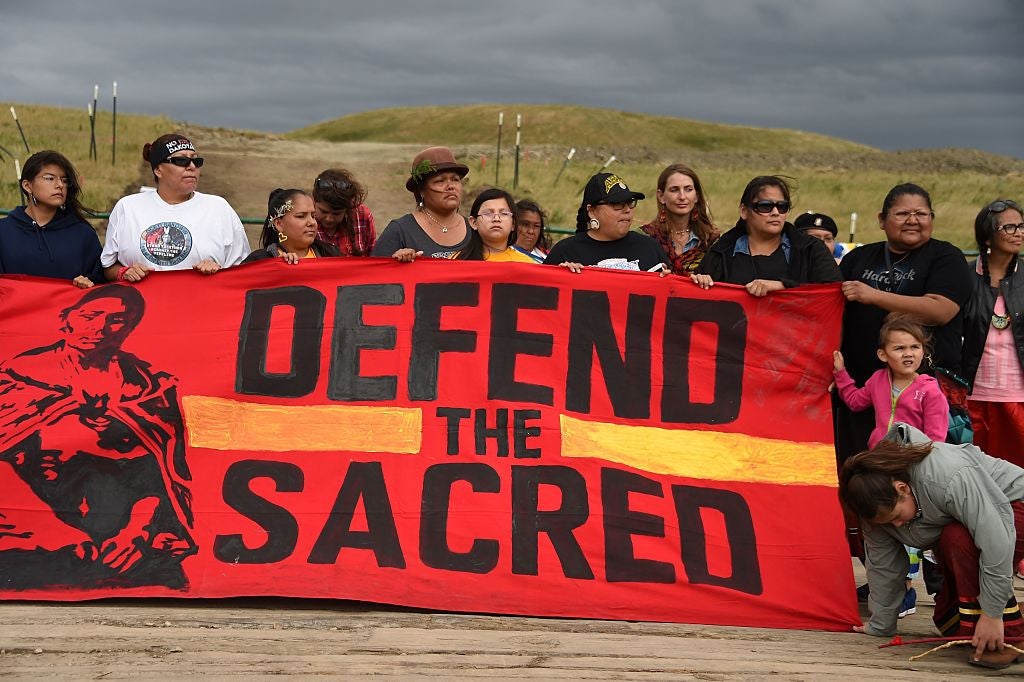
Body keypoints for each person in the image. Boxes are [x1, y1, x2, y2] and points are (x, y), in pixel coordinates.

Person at [0, 286, 196, 590]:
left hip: (127, 531)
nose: (101, 328)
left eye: (117, 319)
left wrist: (137, 530)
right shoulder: (20, 376)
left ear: (130, 328)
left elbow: (164, 474)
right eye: (90, 316)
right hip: (36, 529)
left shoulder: (148, 386)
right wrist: (61, 536)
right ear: (66, 319)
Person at [841, 423, 1024, 670]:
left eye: (896, 515)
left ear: (902, 488)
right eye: (887, 522)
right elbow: (883, 565)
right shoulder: (875, 508)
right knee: (948, 620)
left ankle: (1009, 636)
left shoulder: (946, 474)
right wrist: (881, 625)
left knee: (955, 538)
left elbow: (997, 539)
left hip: (1013, 508)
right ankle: (1001, 619)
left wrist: (992, 615)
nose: (895, 525)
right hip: (973, 534)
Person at [836, 183, 973, 460]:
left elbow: (940, 310)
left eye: (922, 214)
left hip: (925, 392)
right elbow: (830, 309)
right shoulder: (857, 258)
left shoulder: (947, 257)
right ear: (881, 220)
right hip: (865, 389)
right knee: (861, 474)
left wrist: (873, 295)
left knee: (924, 468)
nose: (913, 220)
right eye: (902, 214)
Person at [101, 133, 250, 282]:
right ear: (158, 169)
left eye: (196, 160)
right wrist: (124, 272)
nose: (191, 166)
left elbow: (244, 270)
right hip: (142, 303)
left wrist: (219, 271)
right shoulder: (127, 207)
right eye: (181, 160)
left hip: (201, 303)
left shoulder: (219, 208)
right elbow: (107, 266)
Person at [694, 176, 840, 296]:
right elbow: (697, 302)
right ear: (744, 211)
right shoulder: (720, 253)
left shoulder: (812, 250)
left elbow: (833, 293)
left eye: (782, 206)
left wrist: (784, 286)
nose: (775, 212)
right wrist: (700, 282)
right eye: (765, 206)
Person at [961, 199, 1024, 468]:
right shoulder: (964, 276)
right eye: (1009, 227)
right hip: (971, 396)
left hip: (1018, 395)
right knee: (976, 472)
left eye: (1021, 226)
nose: (1018, 233)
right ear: (987, 234)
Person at [834, 314, 948, 448]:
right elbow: (855, 402)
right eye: (900, 348)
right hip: (880, 458)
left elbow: (936, 440)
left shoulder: (930, 391)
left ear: (923, 352)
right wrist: (840, 373)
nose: (908, 353)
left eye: (915, 347)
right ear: (883, 355)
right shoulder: (877, 380)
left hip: (912, 462)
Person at [0, 150, 102, 287]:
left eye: (64, 180)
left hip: (67, 308)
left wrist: (88, 283)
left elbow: (101, 284)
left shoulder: (83, 234)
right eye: (50, 178)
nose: (60, 185)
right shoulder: (4, 231)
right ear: (27, 186)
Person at [543, 172, 669, 274]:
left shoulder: (650, 248)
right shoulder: (565, 252)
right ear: (592, 211)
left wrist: (670, 280)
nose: (627, 210)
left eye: (630, 202)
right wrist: (561, 275)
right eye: (617, 204)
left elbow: (674, 297)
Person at [371, 146, 471, 261]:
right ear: (421, 190)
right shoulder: (400, 231)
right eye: (440, 181)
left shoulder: (476, 229)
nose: (450, 186)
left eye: (455, 179)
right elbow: (375, 273)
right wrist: (396, 262)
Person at [640, 163, 719, 274]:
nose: (682, 197)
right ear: (661, 196)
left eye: (688, 189)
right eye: (674, 190)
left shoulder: (711, 240)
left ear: (696, 196)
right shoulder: (646, 238)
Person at [243, 189, 340, 264]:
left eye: (313, 216)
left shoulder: (332, 255)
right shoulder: (258, 261)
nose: (312, 222)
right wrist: (276, 268)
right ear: (279, 224)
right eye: (301, 216)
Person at [311, 168, 376, 256]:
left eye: (336, 213)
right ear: (314, 201)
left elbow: (374, 255)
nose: (329, 219)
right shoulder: (303, 221)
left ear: (347, 209)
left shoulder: (362, 216)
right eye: (323, 211)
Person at [461, 188, 536, 262]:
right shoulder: (457, 262)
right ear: (473, 222)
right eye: (488, 213)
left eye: (504, 213)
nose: (496, 219)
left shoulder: (526, 264)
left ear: (513, 224)